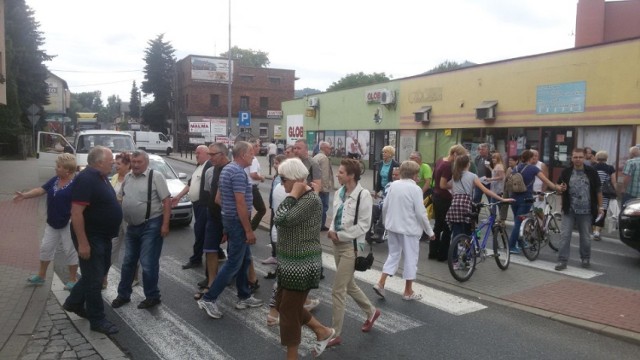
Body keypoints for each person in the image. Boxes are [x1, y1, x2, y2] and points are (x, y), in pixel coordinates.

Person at [272, 158, 335, 359]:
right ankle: (322, 331)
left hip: (301, 265)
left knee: (288, 312)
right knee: (286, 305)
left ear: (295, 178)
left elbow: (280, 218)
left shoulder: (309, 200)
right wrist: (294, 194)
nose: (281, 183)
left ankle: (292, 356)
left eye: (283, 179)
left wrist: (293, 194)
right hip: (290, 263)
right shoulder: (301, 198)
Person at [197, 141, 263, 319]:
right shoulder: (238, 173)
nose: (253, 156)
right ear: (242, 154)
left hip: (230, 220)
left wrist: (227, 218)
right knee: (234, 262)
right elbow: (241, 203)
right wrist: (248, 230)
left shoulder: (228, 170)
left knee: (245, 258)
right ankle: (209, 298)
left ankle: (244, 295)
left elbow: (219, 199)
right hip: (238, 222)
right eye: (251, 153)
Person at [63, 146, 122, 335]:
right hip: (91, 236)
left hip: (103, 236)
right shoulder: (86, 179)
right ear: (98, 162)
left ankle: (73, 303)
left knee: (95, 273)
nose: (113, 162)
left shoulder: (101, 177)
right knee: (95, 280)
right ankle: (97, 320)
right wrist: (83, 243)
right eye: (110, 160)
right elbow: (76, 213)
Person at [327, 158, 380, 348]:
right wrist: (332, 231)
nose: (337, 174)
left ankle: (334, 333)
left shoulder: (363, 195)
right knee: (348, 284)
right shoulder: (339, 192)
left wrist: (340, 235)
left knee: (338, 289)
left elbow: (364, 225)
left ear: (351, 176)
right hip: (337, 243)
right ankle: (372, 312)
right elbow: (334, 216)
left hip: (351, 246)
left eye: (341, 172)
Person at [111, 150, 171, 310]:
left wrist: (165, 225)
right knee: (128, 261)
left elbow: (166, 201)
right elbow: (121, 198)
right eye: (134, 162)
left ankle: (152, 296)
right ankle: (123, 295)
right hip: (131, 226)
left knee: (148, 263)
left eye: (139, 162)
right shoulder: (128, 178)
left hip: (151, 224)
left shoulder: (155, 176)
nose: (136, 165)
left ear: (146, 163)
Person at [14, 153, 78, 289]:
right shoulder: (55, 179)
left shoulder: (76, 184)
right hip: (52, 222)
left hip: (68, 223)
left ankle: (73, 280)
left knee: (70, 250)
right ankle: (41, 276)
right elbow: (41, 190)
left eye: (58, 166)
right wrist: (24, 195)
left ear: (67, 170)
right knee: (45, 248)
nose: (56, 168)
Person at [373, 160, 435, 301]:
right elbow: (421, 213)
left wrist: (385, 222)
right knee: (410, 259)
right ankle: (408, 291)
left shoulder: (394, 185)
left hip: (393, 227)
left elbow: (385, 206)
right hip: (409, 229)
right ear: (414, 175)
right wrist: (430, 232)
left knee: (393, 255)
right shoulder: (416, 189)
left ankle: (381, 282)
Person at [194, 143, 231, 300]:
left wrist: (227, 224)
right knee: (210, 250)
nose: (210, 158)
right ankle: (211, 282)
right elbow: (211, 192)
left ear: (222, 154)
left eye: (212, 154)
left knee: (238, 255)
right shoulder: (213, 168)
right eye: (208, 154)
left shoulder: (230, 169)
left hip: (227, 217)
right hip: (213, 216)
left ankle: (246, 286)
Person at [555, 148, 602, 270]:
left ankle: (585, 258)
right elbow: (558, 186)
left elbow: (598, 190)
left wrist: (601, 206)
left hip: (586, 211)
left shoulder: (591, 171)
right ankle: (562, 261)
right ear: (572, 158)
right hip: (569, 210)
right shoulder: (566, 172)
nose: (578, 159)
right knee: (565, 236)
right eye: (575, 157)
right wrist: (560, 188)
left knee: (585, 237)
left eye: (580, 157)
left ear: (584, 157)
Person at [445, 155, 512, 240]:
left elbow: (446, 186)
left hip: (454, 204)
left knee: (456, 232)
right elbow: (486, 190)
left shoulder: (455, 175)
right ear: (468, 164)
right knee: (468, 230)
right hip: (465, 204)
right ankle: (469, 250)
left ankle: (454, 251)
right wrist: (502, 199)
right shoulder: (472, 176)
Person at [509, 150, 564, 254]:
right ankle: (511, 246)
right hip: (526, 199)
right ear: (530, 158)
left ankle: (521, 243)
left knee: (518, 221)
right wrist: (557, 188)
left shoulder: (515, 168)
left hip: (514, 198)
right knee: (519, 223)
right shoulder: (533, 168)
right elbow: (546, 181)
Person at [174, 145, 213, 270]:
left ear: (207, 154)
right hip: (197, 205)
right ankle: (218, 253)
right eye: (195, 153)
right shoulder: (199, 166)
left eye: (198, 153)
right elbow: (190, 184)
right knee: (202, 231)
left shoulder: (209, 166)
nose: (196, 155)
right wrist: (179, 196)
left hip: (204, 205)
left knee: (199, 231)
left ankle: (196, 259)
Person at [106, 152, 138, 289]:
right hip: (115, 219)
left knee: (131, 250)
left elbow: (134, 199)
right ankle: (104, 277)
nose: (115, 166)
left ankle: (134, 277)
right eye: (115, 163)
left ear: (127, 165)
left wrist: (119, 200)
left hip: (129, 219)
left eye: (118, 164)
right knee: (111, 249)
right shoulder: (113, 178)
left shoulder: (132, 179)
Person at [430, 144, 467, 261]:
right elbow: (443, 184)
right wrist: (455, 184)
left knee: (437, 226)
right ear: (455, 154)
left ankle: (433, 252)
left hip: (436, 196)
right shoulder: (447, 166)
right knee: (447, 228)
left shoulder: (441, 160)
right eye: (460, 156)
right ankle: (442, 255)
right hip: (444, 198)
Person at [263, 154, 287, 265]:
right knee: (272, 232)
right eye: (274, 163)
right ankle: (275, 255)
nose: (274, 165)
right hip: (274, 207)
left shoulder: (283, 177)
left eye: (277, 163)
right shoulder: (276, 176)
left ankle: (280, 257)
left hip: (280, 209)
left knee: (277, 233)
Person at [592, 151, 616, 240]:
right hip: (605, 193)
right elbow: (613, 181)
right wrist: (615, 191)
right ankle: (597, 231)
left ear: (596, 157)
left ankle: (594, 229)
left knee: (594, 210)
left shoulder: (592, 167)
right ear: (606, 158)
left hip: (593, 192)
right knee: (602, 210)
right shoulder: (610, 168)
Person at [314, 141, 335, 231]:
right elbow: (325, 175)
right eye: (329, 148)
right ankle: (321, 225)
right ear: (325, 148)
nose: (330, 150)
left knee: (317, 207)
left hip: (316, 186)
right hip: (322, 188)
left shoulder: (316, 157)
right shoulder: (324, 159)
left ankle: (316, 225)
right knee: (323, 207)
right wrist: (324, 188)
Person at [247, 140, 267, 230]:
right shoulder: (253, 159)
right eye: (258, 145)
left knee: (248, 209)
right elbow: (253, 174)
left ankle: (246, 230)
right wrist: (261, 178)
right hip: (252, 187)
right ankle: (250, 229)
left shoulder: (248, 157)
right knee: (262, 209)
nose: (259, 147)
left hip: (248, 187)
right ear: (254, 147)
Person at [487, 152, 507, 224]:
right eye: (492, 158)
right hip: (495, 187)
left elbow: (501, 177)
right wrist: (489, 167)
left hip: (497, 188)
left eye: (495, 158)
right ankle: (498, 218)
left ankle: (495, 218)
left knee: (495, 203)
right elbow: (494, 173)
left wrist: (491, 179)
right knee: (496, 203)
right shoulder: (497, 166)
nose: (493, 160)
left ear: (498, 159)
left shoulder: (499, 166)